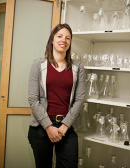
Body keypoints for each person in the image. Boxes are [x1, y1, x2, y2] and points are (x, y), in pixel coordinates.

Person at [28, 23, 86, 168]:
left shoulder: (78, 68)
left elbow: (79, 100)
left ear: (70, 42)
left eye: (68, 38)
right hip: (41, 127)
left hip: (67, 128)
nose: (63, 40)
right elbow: (33, 99)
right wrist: (48, 127)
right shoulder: (38, 65)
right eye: (59, 36)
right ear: (52, 40)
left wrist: (65, 125)